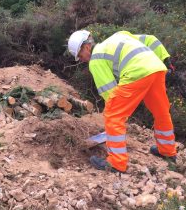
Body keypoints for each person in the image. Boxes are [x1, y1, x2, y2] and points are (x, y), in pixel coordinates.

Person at [67, 29, 177, 173]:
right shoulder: (120, 36)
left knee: (113, 115)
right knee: (161, 111)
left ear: (86, 47)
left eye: (80, 56)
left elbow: (109, 91)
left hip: (137, 72)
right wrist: (165, 59)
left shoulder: (96, 59)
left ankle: (116, 163)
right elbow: (151, 40)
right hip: (156, 68)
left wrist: (120, 111)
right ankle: (168, 151)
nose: (81, 60)